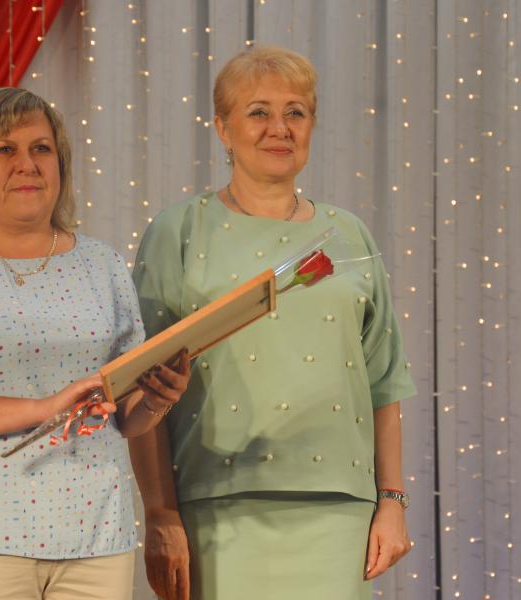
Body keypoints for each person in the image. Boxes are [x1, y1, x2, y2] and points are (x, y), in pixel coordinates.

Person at [0, 87, 191, 600]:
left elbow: (124, 413)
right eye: (5, 149)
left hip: (96, 541)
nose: (27, 164)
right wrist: (43, 408)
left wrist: (156, 398)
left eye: (41, 148)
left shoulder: (103, 264)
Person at [129, 46, 417, 600]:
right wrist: (160, 512)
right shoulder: (178, 231)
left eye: (296, 112)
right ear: (223, 128)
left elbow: (384, 382)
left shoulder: (349, 234)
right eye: (258, 112)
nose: (279, 128)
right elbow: (142, 389)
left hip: (339, 515)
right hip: (216, 512)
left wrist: (392, 501)